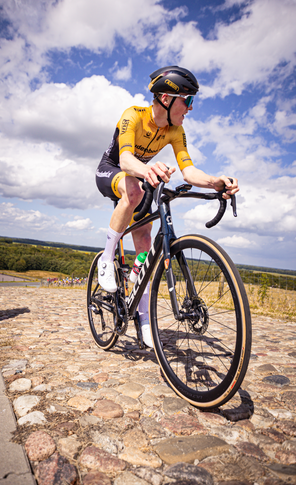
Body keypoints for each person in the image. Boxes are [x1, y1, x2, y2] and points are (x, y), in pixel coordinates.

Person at [95, 66, 239, 348]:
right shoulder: (133, 116)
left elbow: (188, 171)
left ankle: (143, 315)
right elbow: (124, 161)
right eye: (188, 100)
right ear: (165, 98)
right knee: (134, 190)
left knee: (146, 249)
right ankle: (106, 259)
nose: (191, 108)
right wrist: (146, 170)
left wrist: (215, 182)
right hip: (112, 171)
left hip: (140, 177)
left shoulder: (176, 131)